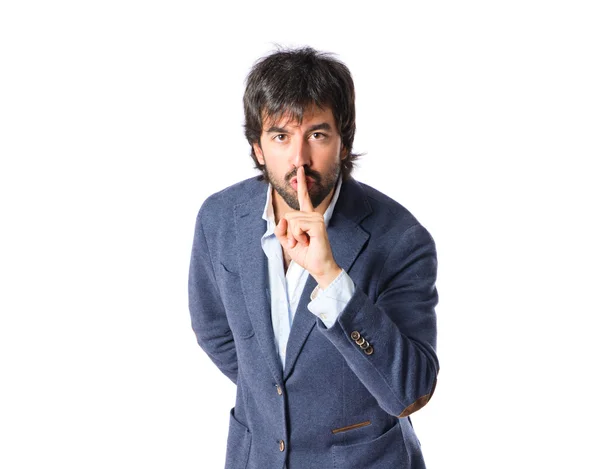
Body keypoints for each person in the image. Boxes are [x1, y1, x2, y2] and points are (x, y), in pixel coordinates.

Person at [188, 46, 439, 469]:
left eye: (317, 135)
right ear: (257, 147)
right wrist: (280, 400)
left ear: (344, 143)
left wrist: (331, 277)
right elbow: (214, 331)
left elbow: (410, 391)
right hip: (256, 457)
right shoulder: (219, 219)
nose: (299, 159)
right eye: (281, 136)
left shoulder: (402, 240)